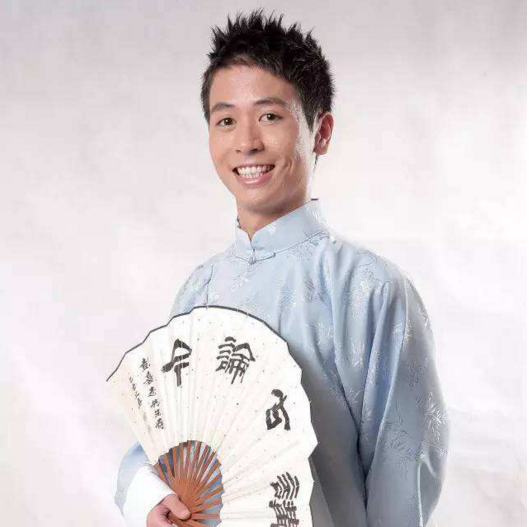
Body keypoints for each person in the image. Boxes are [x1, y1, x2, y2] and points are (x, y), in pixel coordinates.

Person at [114, 9, 449, 527]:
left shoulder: (369, 289)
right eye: (226, 120)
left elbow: (405, 470)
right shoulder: (199, 291)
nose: (246, 142)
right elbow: (159, 437)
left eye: (270, 116)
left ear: (321, 131)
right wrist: (149, 497)